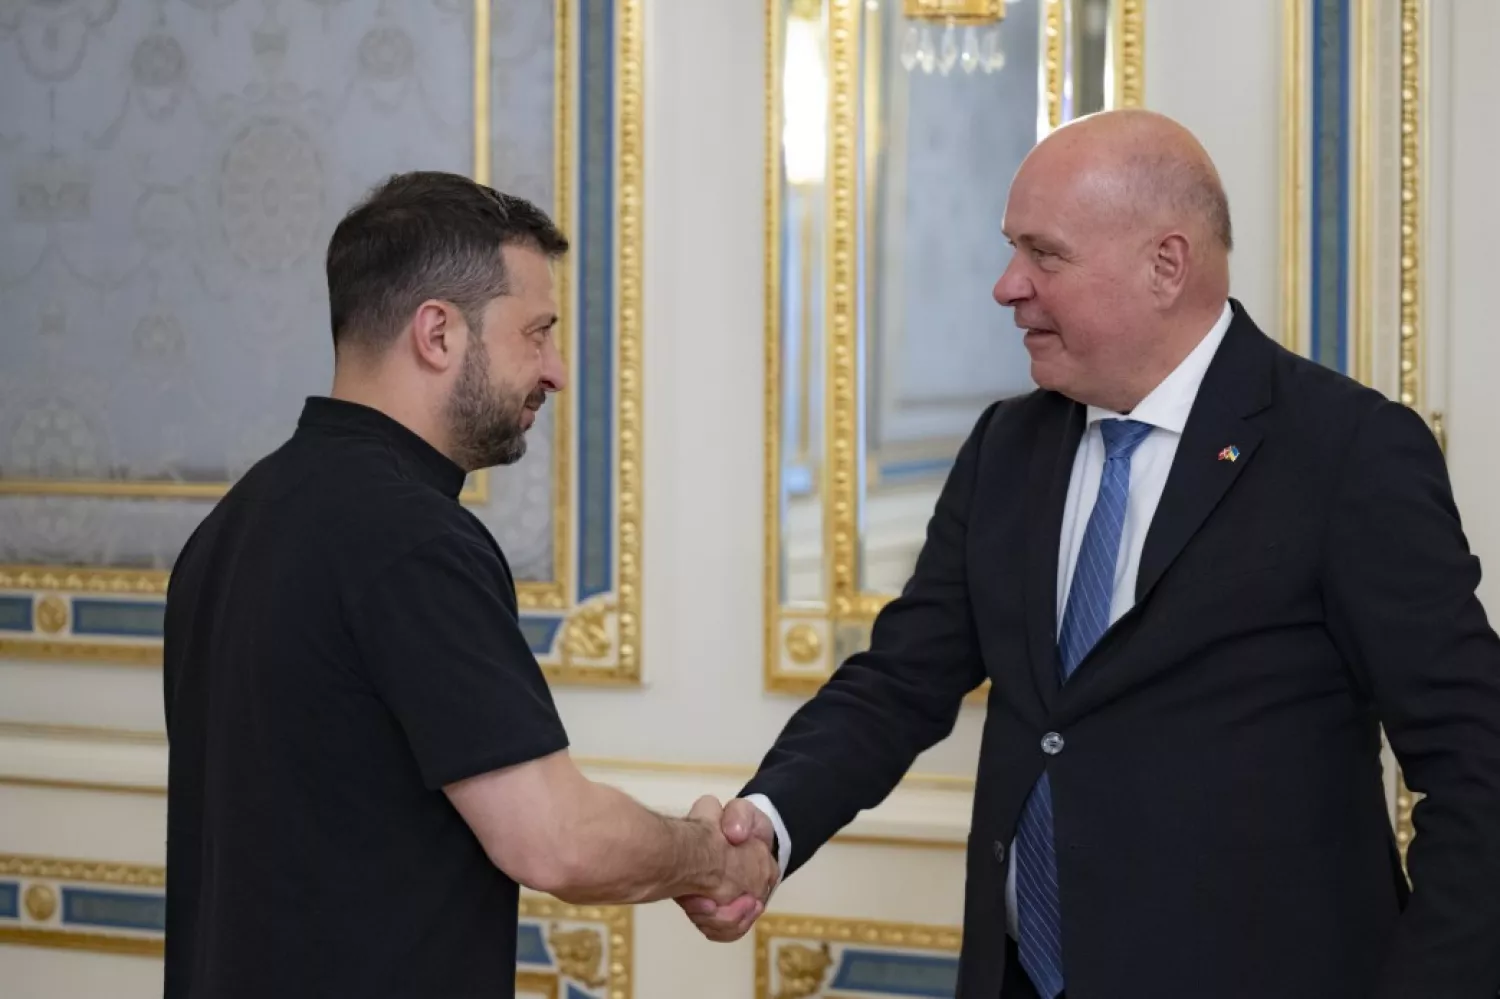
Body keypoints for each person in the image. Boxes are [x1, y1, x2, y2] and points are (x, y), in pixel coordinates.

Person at [678, 110, 1500, 998]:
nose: (1006, 285)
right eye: (1010, 249)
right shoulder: (1007, 446)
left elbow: (1476, 765)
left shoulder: (1346, 451)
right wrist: (765, 822)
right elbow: (899, 680)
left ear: (1166, 265)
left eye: (1045, 254)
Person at [161, 171, 776, 999]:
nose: (555, 371)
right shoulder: (412, 537)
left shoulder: (229, 525)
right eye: (538, 332)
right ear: (438, 333)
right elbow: (554, 838)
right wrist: (711, 854)